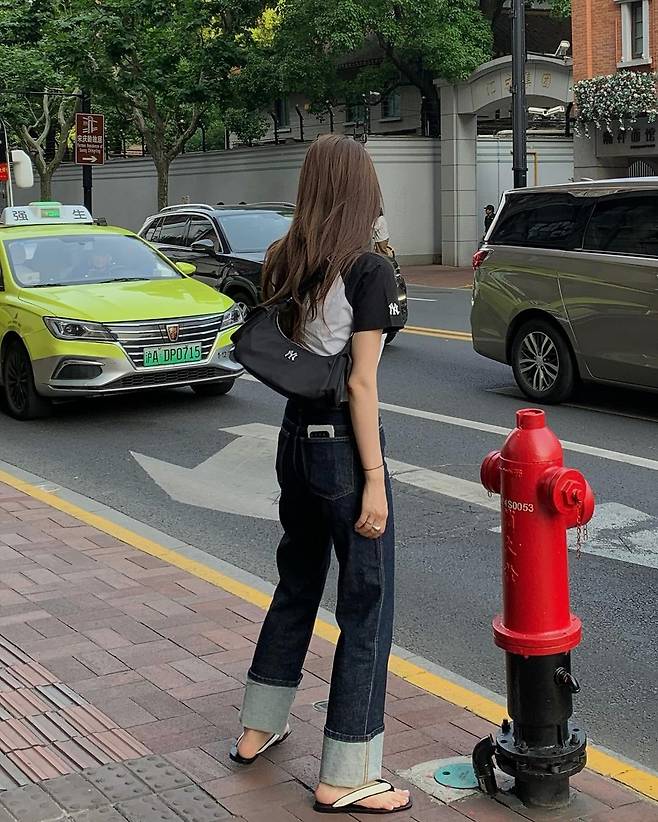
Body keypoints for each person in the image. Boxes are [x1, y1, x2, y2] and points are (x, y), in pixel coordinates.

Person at [231, 134, 410, 815]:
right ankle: (347, 771)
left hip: (293, 441)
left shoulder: (287, 256)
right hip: (341, 447)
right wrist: (374, 478)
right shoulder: (368, 268)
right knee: (367, 602)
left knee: (298, 580)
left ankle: (257, 728)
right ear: (362, 190)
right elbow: (361, 383)